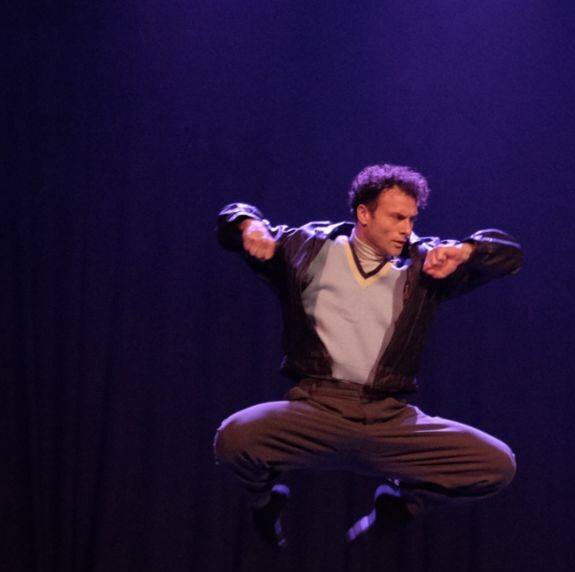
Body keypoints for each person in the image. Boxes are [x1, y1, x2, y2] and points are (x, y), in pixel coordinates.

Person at [213, 163, 521, 547]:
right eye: (396, 217)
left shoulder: (426, 264)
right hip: (316, 410)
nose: (406, 228)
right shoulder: (305, 248)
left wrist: (465, 251)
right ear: (364, 213)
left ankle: (399, 507)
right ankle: (265, 503)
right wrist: (250, 227)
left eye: (411, 219)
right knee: (232, 439)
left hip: (388, 417)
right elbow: (230, 218)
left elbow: (510, 256)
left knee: (496, 465)